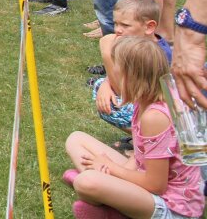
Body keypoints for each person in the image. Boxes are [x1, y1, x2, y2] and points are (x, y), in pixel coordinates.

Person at [64, 36, 203, 219]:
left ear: (131, 77)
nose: (111, 77)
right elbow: (140, 155)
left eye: (115, 71)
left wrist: (111, 168)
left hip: (173, 206)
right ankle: (112, 198)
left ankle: (112, 204)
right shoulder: (144, 98)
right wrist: (115, 170)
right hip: (145, 176)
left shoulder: (155, 117)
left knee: (86, 182)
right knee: (76, 139)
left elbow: (156, 185)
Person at [90, 0, 170, 141]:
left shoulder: (154, 54)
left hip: (158, 112)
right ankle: (141, 137)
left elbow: (126, 92)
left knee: (111, 103)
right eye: (116, 23)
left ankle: (149, 139)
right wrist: (107, 83)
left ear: (149, 27)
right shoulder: (136, 46)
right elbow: (124, 76)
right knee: (100, 86)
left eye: (125, 25)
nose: (118, 30)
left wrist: (107, 54)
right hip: (143, 102)